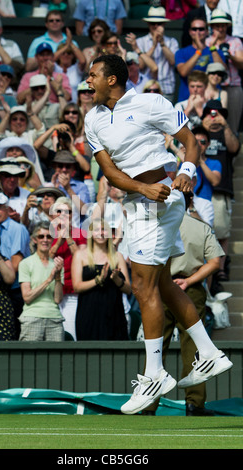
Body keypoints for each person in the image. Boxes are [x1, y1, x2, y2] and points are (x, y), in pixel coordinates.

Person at [84, 54, 233, 414]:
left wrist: (185, 171)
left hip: (162, 200)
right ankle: (210, 352)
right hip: (137, 203)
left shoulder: (151, 102)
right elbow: (110, 173)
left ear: (113, 80)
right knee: (163, 283)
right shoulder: (92, 119)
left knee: (142, 286)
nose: (88, 81)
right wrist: (141, 189)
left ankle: (155, 375)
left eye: (93, 76)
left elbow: (191, 144)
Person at [144, 202, 225, 416]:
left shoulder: (156, 225)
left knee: (156, 345)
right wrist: (189, 281)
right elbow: (215, 262)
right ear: (190, 203)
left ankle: (148, 404)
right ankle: (194, 404)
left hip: (160, 288)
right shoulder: (201, 227)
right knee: (194, 348)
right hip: (190, 291)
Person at [71, 218, 131, 340]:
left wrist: (116, 280)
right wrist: (99, 279)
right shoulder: (80, 255)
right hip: (88, 313)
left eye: (104, 230)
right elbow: (76, 286)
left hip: (114, 314)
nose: (101, 233)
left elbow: (128, 289)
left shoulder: (117, 256)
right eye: (97, 230)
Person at [201, 99, 240, 281]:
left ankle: (221, 269)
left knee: (222, 231)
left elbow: (234, 147)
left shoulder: (226, 133)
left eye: (217, 113)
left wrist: (225, 125)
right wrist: (203, 125)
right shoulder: (201, 134)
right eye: (210, 112)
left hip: (222, 189)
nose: (214, 116)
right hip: (200, 189)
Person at [0, 192, 31, 337]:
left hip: (14, 290)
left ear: (8, 209)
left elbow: (16, 263)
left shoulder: (17, 229)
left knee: (12, 333)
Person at [18, 221, 65, 341]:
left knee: (57, 359)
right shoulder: (26, 263)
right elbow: (27, 297)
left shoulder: (58, 264)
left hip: (54, 318)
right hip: (32, 317)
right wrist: (49, 280)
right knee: (29, 359)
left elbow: (58, 299)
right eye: (41, 236)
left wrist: (58, 275)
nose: (45, 240)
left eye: (49, 236)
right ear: (34, 239)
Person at [49, 196, 87, 340]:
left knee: (71, 333)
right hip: (50, 291)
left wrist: (68, 236)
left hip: (72, 294)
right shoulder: (46, 235)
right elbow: (45, 259)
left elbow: (81, 259)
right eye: (59, 211)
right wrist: (59, 239)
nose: (64, 215)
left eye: (68, 212)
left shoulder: (80, 233)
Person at [126, 6, 179, 103]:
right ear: (148, 24)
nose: (155, 26)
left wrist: (162, 43)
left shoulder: (172, 41)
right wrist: (153, 46)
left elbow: (173, 61)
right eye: (152, 23)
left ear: (164, 24)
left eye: (159, 23)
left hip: (167, 88)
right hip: (146, 88)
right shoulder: (140, 42)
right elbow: (140, 65)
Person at [206, 9, 243, 135]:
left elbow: (242, 63)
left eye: (223, 25)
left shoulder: (235, 41)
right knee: (212, 122)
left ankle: (232, 152)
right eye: (217, 26)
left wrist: (230, 56)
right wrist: (213, 47)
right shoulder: (207, 42)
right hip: (214, 87)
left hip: (233, 87)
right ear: (211, 26)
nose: (220, 29)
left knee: (232, 126)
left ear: (227, 26)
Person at [175, 16, 226, 102]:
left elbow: (222, 70)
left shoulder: (216, 51)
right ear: (190, 32)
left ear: (206, 32)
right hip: (187, 98)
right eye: (194, 29)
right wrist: (199, 51)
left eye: (201, 29)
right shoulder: (181, 52)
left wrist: (212, 48)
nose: (198, 32)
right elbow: (183, 72)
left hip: (211, 99)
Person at [54, 31, 86, 102]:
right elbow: (49, 60)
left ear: (73, 56)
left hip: (74, 106)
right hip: (56, 105)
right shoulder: (54, 67)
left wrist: (70, 43)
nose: (66, 55)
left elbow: (83, 61)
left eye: (69, 53)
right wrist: (66, 46)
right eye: (63, 53)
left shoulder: (76, 68)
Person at [192, 125, 222, 201]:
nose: (199, 144)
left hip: (205, 204)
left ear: (208, 144)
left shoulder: (215, 163)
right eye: (195, 141)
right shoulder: (184, 160)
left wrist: (201, 161)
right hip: (186, 204)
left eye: (202, 142)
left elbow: (215, 181)